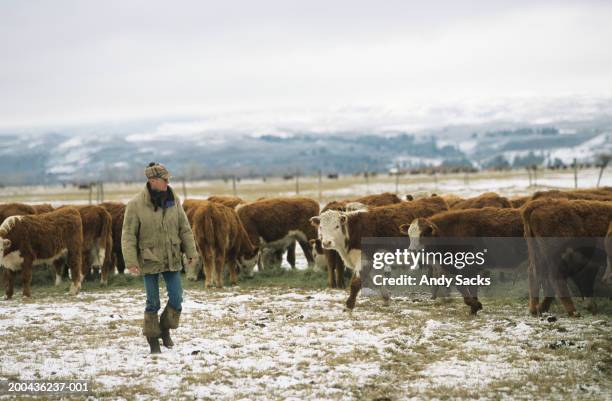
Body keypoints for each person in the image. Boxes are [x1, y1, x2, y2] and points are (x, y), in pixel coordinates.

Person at [121, 162, 198, 354]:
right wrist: (131, 261)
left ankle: (164, 329)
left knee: (177, 298)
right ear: (153, 181)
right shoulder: (135, 205)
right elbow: (128, 235)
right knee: (152, 302)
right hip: (149, 259)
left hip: (172, 257)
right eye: (164, 180)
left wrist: (191, 252)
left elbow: (184, 228)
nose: (167, 183)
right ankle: (152, 338)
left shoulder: (174, 199)